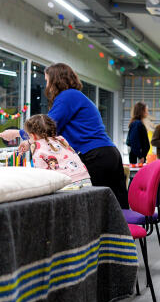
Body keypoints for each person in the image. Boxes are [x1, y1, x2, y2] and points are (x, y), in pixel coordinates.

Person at [22, 63, 129, 208]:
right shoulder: (75, 96)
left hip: (95, 155)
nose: (46, 86)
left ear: (55, 80)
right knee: (115, 207)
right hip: (107, 153)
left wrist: (19, 134)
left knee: (95, 206)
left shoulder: (67, 96)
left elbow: (45, 126)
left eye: (47, 81)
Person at [24, 114, 91, 189]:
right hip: (85, 179)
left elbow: (42, 175)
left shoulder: (37, 148)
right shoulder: (61, 140)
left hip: (66, 184)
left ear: (32, 136)